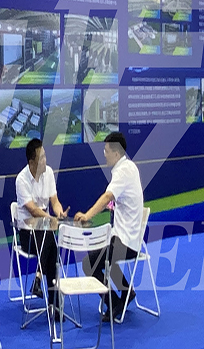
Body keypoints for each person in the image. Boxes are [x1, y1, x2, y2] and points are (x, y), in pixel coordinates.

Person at [75, 132, 144, 323]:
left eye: (106, 150)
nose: (104, 154)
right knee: (100, 255)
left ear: (116, 153)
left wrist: (87, 215)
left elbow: (107, 197)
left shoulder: (122, 172)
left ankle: (113, 303)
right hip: (128, 238)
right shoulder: (130, 167)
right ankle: (126, 292)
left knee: (89, 264)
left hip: (126, 242)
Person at [15, 138, 66, 311]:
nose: (45, 160)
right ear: (31, 162)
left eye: (45, 155)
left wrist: (59, 213)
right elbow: (33, 210)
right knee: (50, 240)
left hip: (44, 230)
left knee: (50, 242)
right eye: (41, 158)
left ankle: (38, 280)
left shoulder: (49, 172)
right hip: (27, 233)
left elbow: (55, 201)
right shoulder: (21, 180)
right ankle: (54, 303)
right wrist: (50, 219)